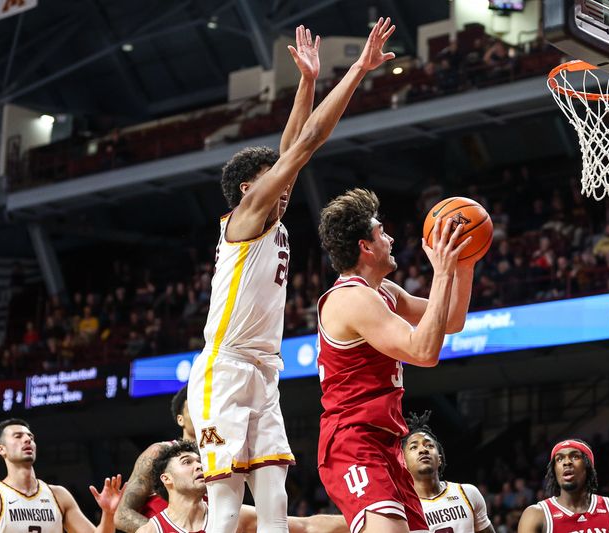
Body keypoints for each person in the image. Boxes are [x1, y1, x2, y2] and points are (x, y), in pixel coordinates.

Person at [186, 19, 396, 533]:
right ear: (247, 191)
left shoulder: (271, 212)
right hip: (226, 368)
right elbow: (305, 145)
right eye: (271, 183)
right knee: (227, 506)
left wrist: (306, 83)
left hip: (263, 369)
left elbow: (292, 149)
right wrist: (358, 73)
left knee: (275, 504)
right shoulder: (247, 217)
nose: (284, 189)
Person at [316, 189, 480, 533]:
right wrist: (443, 273)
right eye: (382, 233)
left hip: (387, 442)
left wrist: (463, 264)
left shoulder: (384, 292)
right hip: (353, 441)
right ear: (365, 247)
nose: (390, 239)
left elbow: (451, 320)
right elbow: (424, 352)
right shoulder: (351, 299)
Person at [116, 386, 348, 533]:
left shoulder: (222, 451)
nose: (200, 408)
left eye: (203, 402)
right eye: (193, 405)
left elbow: (303, 526)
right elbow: (121, 514)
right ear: (180, 418)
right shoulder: (160, 452)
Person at [0, 418, 125, 533]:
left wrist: (108, 513)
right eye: (18, 436)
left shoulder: (59, 495)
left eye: (30, 437)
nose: (27, 439)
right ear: (1, 449)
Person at [401, 411, 494, 533]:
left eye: (429, 445)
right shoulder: (402, 507)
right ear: (403, 462)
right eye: (414, 447)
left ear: (439, 459)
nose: (423, 450)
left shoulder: (467, 493)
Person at [517, 439, 609, 533]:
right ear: (554, 471)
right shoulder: (536, 514)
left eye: (575, 456)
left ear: (588, 467)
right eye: (559, 459)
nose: (566, 462)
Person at [134, 440, 208, 533]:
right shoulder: (150, 530)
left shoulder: (226, 514)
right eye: (187, 462)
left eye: (200, 461)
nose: (199, 466)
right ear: (166, 478)